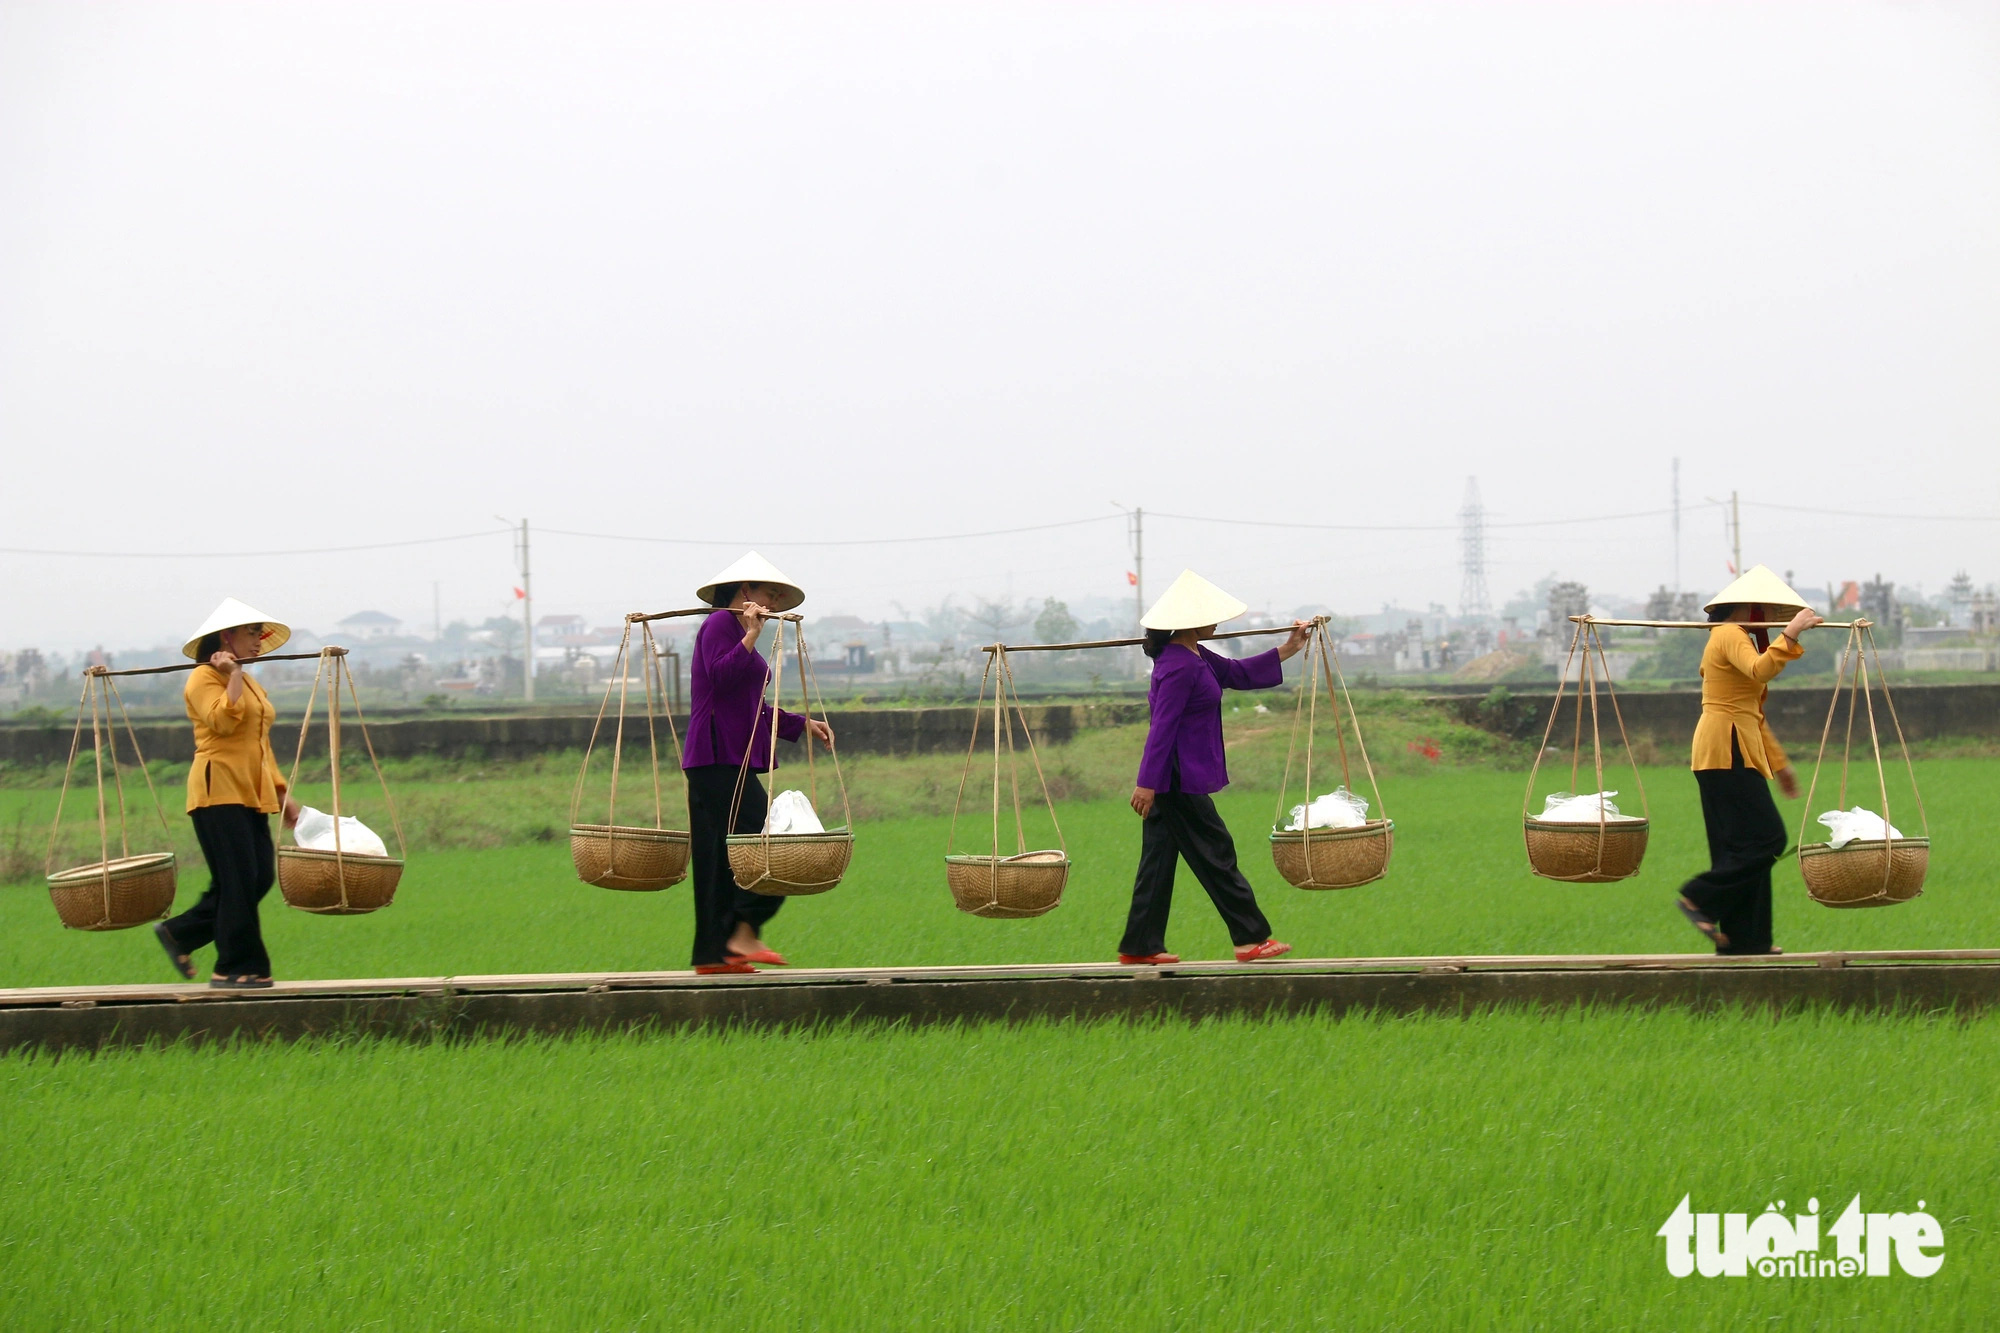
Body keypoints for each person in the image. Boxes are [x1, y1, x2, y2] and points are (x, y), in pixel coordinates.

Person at [1118, 569, 1312, 966]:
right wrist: (1147, 784)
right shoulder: (1178, 665)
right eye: (1210, 614)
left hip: (1177, 777)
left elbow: (1238, 673)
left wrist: (1290, 647)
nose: (1217, 621)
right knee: (1215, 851)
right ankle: (1250, 938)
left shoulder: (1197, 656)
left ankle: (1139, 945)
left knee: (1157, 862)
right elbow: (1162, 728)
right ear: (1190, 621)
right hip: (1175, 779)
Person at [682, 552, 835, 975]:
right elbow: (720, 678)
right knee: (766, 842)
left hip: (726, 756)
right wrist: (750, 636)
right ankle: (744, 930)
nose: (771, 603)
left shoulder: (737, 629)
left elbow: (753, 708)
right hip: (715, 756)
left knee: (718, 856)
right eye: (769, 594)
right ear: (745, 591)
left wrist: (802, 723)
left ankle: (713, 955)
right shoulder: (719, 625)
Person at [153, 598, 301, 989]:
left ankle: (181, 933)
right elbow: (221, 721)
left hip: (252, 791)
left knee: (257, 878)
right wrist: (232, 675)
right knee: (238, 880)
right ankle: (236, 967)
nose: (258, 641)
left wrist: (283, 795)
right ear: (226, 636)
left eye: (259, 633)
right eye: (252, 633)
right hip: (217, 789)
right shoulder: (203, 678)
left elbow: (260, 744)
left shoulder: (250, 681)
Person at [1675, 566, 1823, 956]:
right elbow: (1761, 670)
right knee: (1768, 838)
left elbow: (1754, 713)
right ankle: (1699, 897)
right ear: (1744, 608)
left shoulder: (1738, 639)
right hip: (1726, 748)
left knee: (1740, 849)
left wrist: (1781, 766)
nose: (1763, 617)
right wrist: (1790, 635)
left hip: (1735, 747)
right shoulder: (1727, 634)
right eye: (1759, 609)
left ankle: (1746, 940)